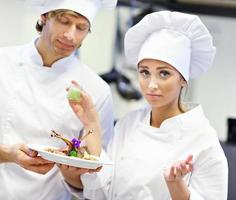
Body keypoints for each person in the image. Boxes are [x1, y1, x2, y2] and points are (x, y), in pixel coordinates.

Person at [0, 0, 117, 199]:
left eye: (81, 28)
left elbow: (95, 181)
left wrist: (72, 172)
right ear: (44, 16)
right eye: (64, 21)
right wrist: (8, 153)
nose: (71, 35)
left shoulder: (96, 90)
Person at [73, 11, 228, 199]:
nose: (152, 85)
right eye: (145, 72)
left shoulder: (203, 140)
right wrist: (91, 124)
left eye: (164, 74)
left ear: (183, 80)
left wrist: (176, 185)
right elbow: (102, 192)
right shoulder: (128, 124)